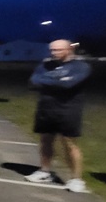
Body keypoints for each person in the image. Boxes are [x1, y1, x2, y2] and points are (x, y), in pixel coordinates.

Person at [24, 40, 92, 192]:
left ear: (69, 50)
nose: (54, 53)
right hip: (46, 108)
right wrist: (57, 81)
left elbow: (68, 85)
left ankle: (76, 179)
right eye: (52, 50)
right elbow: (32, 82)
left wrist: (47, 82)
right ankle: (45, 171)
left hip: (68, 109)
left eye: (58, 50)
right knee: (45, 141)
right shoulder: (45, 64)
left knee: (69, 144)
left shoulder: (80, 66)